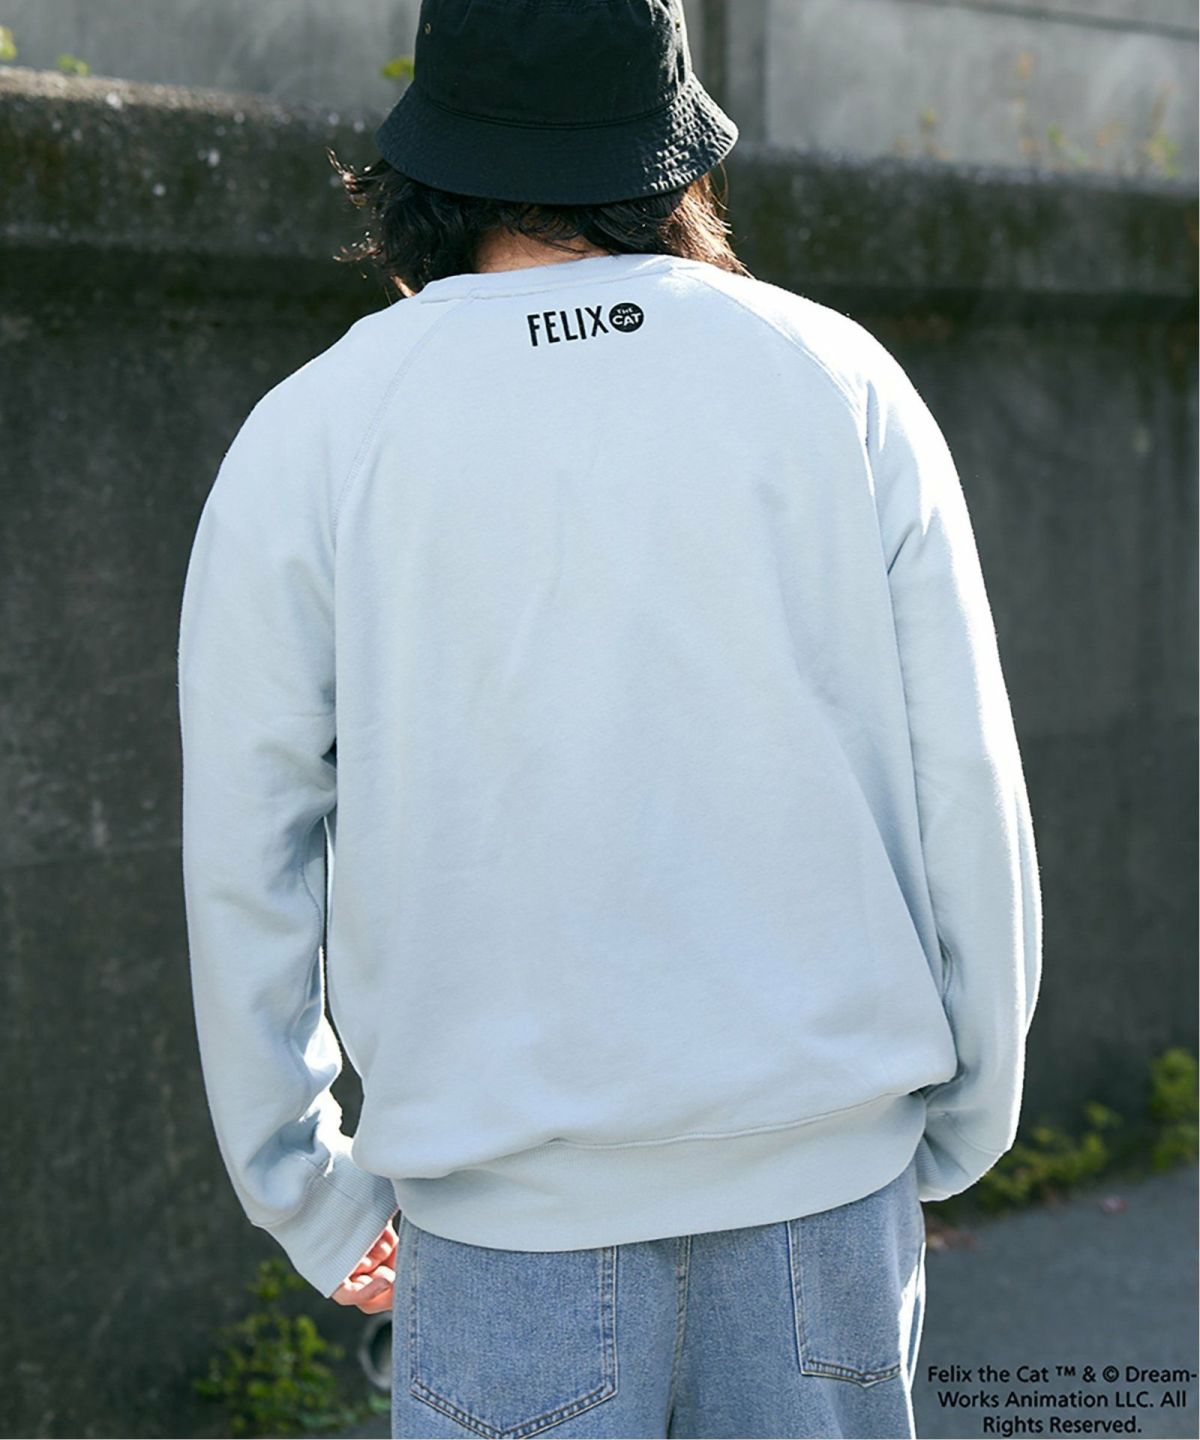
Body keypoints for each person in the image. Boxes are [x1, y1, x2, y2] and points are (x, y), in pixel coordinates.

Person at [176, 2, 1043, 1436]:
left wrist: (306, 1192)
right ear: (674, 151)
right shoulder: (838, 381)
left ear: (426, 161)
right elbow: (967, 781)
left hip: (500, 1231)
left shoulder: (316, 427)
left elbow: (245, 848)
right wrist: (960, 1116)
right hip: (825, 1206)